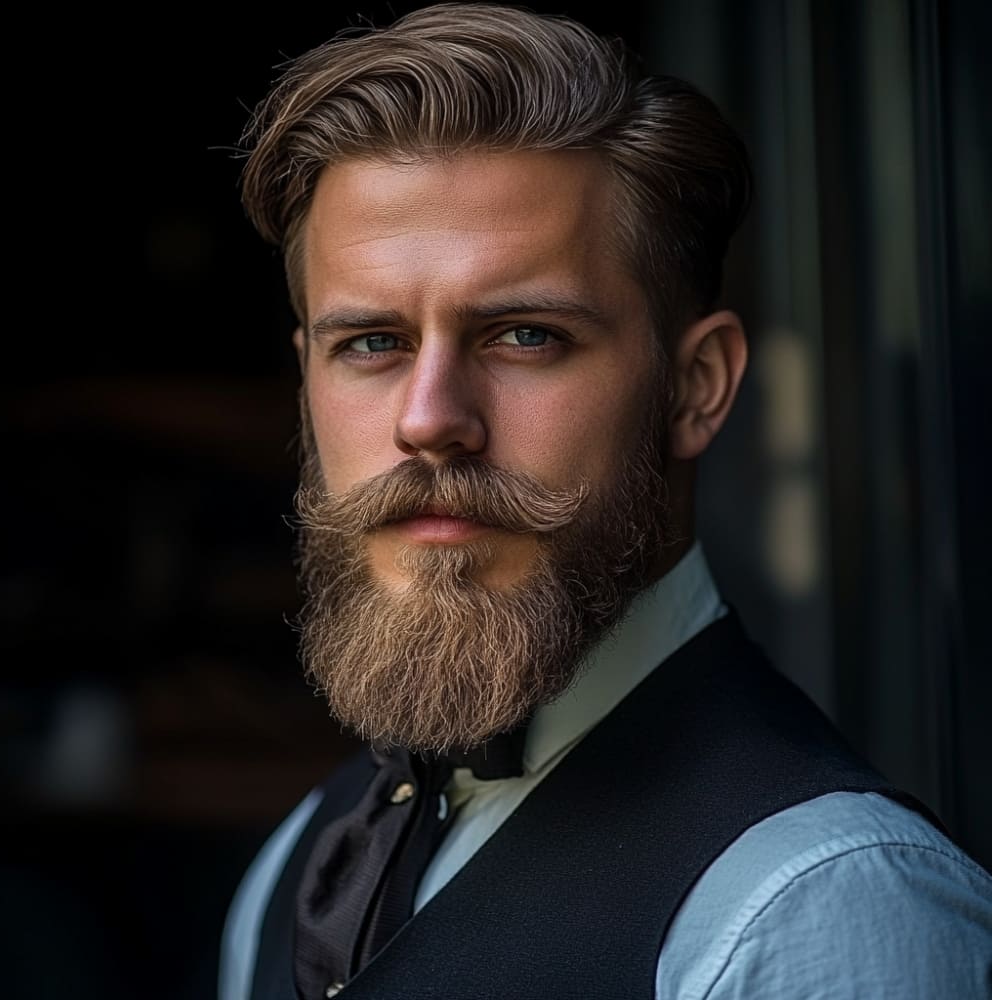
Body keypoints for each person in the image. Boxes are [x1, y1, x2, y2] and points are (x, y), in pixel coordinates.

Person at [219, 5, 992, 998]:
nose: (430, 419)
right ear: (306, 380)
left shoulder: (823, 909)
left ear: (697, 385)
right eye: (371, 343)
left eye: (526, 336)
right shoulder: (296, 861)